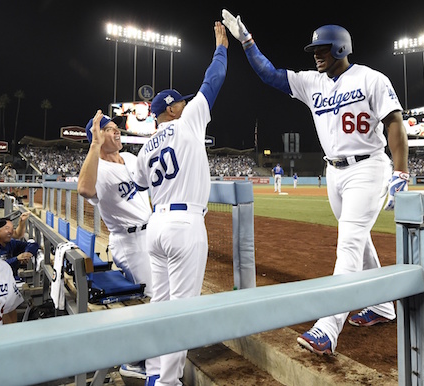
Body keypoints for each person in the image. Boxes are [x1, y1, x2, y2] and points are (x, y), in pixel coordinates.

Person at [222, 10, 408, 355]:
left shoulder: (372, 79)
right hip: (334, 173)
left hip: (368, 168)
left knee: (349, 243)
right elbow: (270, 74)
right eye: (314, 50)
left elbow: (394, 122)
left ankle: (328, 327)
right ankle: (383, 306)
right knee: (359, 238)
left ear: (340, 48)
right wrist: (247, 42)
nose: (316, 55)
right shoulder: (312, 82)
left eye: (322, 49)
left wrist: (400, 171)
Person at [132, 21, 228, 386]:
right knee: (182, 312)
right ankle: (166, 382)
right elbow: (214, 78)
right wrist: (221, 46)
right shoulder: (187, 122)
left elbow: (139, 183)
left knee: (160, 306)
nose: (187, 103)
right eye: (181, 101)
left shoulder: (144, 147)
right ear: (171, 109)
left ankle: (154, 373)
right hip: (184, 226)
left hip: (155, 226)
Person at [77, 110, 154, 381]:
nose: (117, 131)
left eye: (115, 127)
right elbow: (85, 190)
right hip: (129, 241)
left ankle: (155, 354)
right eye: (109, 129)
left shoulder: (131, 158)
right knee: (149, 299)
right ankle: (134, 360)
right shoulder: (96, 168)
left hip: (151, 232)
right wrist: (95, 145)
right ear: (97, 137)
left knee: (161, 294)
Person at [0, 217, 39, 282]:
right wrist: (16, 259)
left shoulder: (11, 243)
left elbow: (33, 245)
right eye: (7, 228)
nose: (10, 231)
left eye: (12, 228)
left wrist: (27, 253)